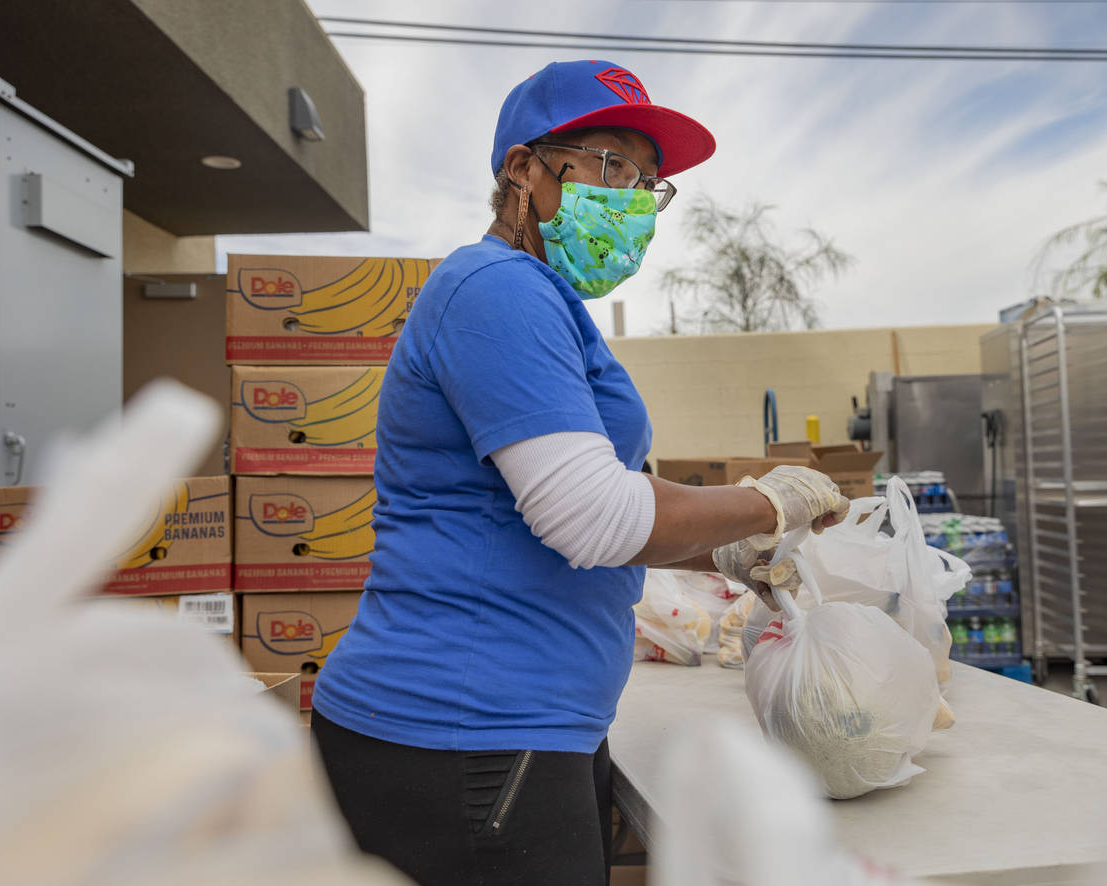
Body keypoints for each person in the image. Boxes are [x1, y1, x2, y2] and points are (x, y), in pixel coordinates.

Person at [311, 59, 849, 886]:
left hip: (516, 730)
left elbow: (554, 519)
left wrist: (724, 554)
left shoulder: (538, 301)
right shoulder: (496, 290)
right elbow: (595, 518)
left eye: (649, 182)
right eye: (611, 164)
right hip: (467, 733)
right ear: (524, 169)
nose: (634, 197)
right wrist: (766, 503)